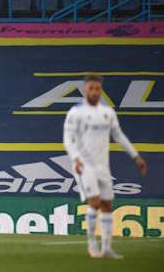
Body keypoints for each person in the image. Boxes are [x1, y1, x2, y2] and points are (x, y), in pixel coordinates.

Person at [63, 74, 147, 259]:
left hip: (103, 167)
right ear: (85, 89)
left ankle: (107, 248)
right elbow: (68, 139)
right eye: (91, 88)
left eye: (97, 88)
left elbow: (119, 136)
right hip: (85, 166)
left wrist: (136, 156)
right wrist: (75, 158)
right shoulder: (76, 112)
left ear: (101, 90)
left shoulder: (107, 113)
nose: (94, 91)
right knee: (95, 203)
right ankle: (92, 244)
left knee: (108, 205)